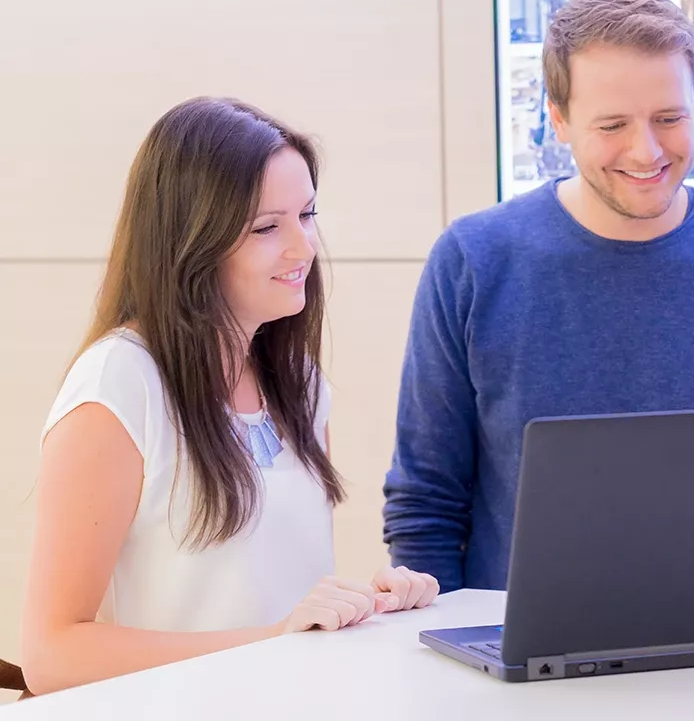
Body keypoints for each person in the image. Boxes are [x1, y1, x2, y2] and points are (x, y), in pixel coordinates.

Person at [384, 0, 694, 592]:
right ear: (560, 120)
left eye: (668, 118)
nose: (646, 150)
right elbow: (426, 503)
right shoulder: (472, 262)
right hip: (520, 666)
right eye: (612, 125)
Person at [21, 97, 439, 696]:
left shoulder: (298, 383)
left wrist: (363, 608)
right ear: (189, 242)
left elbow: (271, 599)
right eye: (267, 228)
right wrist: (275, 638)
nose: (303, 248)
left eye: (307, 214)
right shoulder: (119, 385)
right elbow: (53, 653)